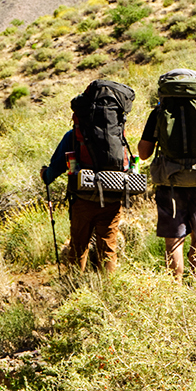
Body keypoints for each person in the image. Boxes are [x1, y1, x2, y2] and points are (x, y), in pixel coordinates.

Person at [138, 68, 196, 278]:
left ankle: (176, 287)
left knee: (173, 238)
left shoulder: (158, 112)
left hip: (169, 183)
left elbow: (144, 153)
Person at [40, 80, 137, 272]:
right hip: (112, 196)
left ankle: (74, 286)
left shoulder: (74, 135)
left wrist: (46, 174)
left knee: (78, 246)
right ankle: (107, 290)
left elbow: (53, 171)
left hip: (83, 198)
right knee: (108, 247)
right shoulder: (118, 136)